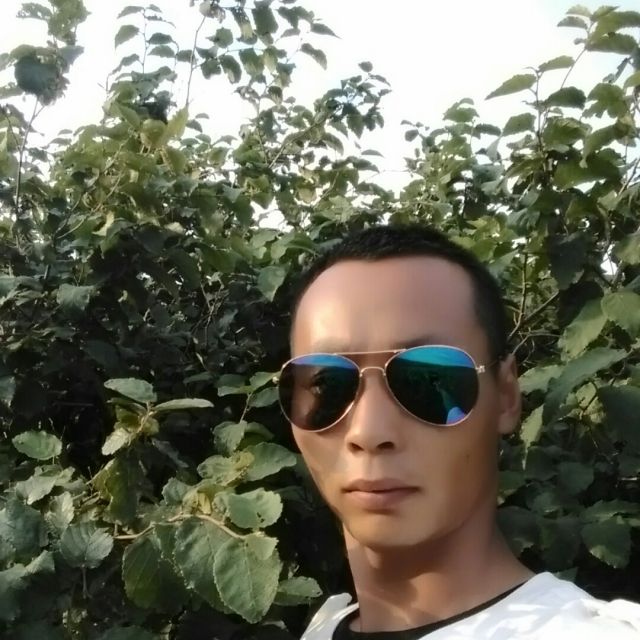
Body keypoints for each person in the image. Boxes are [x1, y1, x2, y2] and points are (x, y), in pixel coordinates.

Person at [274, 224, 640, 639]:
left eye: (431, 379)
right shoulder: (323, 628)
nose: (369, 431)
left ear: (506, 396)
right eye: (327, 383)